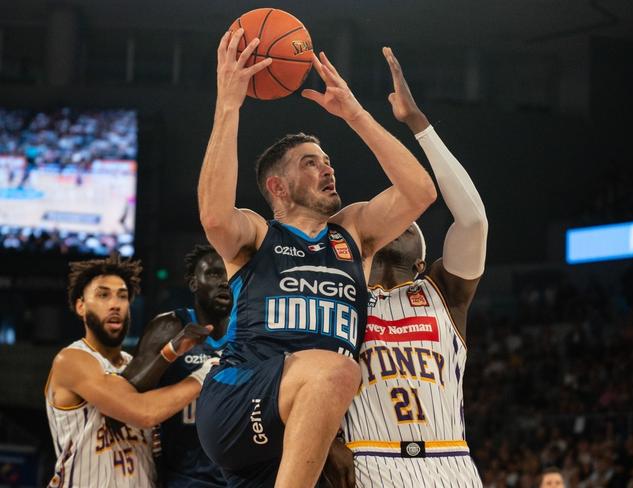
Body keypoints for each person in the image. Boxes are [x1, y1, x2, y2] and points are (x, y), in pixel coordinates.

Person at [195, 28, 437, 488]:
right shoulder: (259, 234)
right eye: (310, 162)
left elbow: (420, 192)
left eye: (327, 159)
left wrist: (357, 115)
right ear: (277, 188)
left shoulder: (352, 235)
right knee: (336, 367)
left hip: (305, 423)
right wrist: (228, 104)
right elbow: (213, 216)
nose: (327, 166)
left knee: (331, 376)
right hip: (239, 397)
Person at [332, 47, 488, 486]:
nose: (394, 220)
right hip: (367, 459)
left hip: (450, 461)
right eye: (383, 214)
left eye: (406, 218)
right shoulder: (335, 296)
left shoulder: (444, 291)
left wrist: (418, 123)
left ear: (423, 254)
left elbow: (473, 220)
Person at [45, 255, 216, 488]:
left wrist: (170, 351)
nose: (115, 303)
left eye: (122, 296)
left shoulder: (132, 364)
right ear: (80, 306)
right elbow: (143, 411)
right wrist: (203, 374)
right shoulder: (72, 360)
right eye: (103, 294)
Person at [120, 244, 232, 487]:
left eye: (230, 274)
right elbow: (127, 395)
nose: (224, 282)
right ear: (193, 283)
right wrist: (171, 351)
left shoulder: (253, 332)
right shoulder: (169, 326)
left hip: (240, 478)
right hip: (185, 477)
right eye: (214, 273)